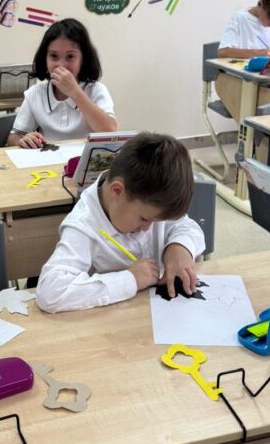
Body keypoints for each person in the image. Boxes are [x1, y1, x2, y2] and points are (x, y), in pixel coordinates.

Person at [35, 132, 204, 312]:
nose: (147, 228)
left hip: (155, 314)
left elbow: (187, 226)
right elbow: (50, 293)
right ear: (117, 191)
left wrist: (179, 248)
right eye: (144, 219)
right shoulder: (83, 226)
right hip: (110, 322)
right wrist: (130, 279)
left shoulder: (149, 201)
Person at [7, 18, 117, 148]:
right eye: (54, 56)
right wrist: (23, 140)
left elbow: (111, 132)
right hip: (48, 159)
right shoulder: (35, 94)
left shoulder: (96, 90)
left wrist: (74, 92)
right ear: (45, 59)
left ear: (83, 59)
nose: (61, 64)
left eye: (70, 57)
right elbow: (14, 137)